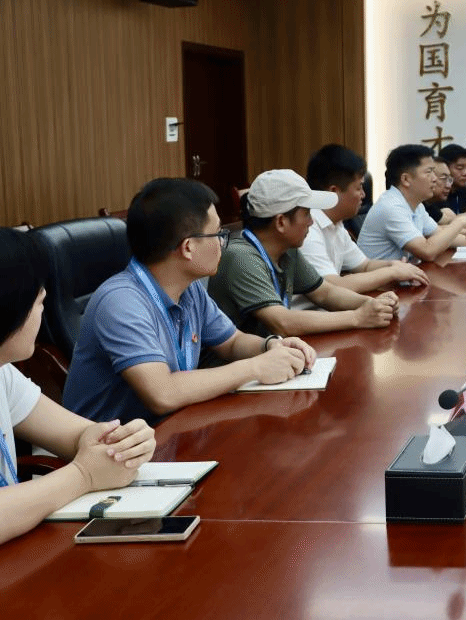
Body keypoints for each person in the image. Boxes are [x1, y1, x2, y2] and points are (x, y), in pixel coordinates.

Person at [63, 179, 315, 423]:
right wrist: (255, 368)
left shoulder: (190, 289)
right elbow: (162, 393)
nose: (222, 242)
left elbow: (232, 342)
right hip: (114, 445)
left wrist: (271, 346)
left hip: (173, 427)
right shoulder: (121, 302)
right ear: (188, 247)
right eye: (217, 233)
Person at [0, 228, 157, 545]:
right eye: (39, 301)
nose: (42, 310)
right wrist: (83, 475)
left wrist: (121, 442)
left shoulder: (4, 373)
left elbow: (75, 433)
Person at [207, 169, 399, 337]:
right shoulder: (241, 257)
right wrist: (357, 317)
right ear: (281, 222)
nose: (311, 222)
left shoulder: (287, 250)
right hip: (236, 364)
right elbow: (282, 323)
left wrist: (373, 304)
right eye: (306, 213)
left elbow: (325, 293)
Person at [301, 144, 430, 301]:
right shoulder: (308, 227)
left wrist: (394, 265)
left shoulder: (336, 224)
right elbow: (332, 286)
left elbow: (364, 266)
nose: (363, 195)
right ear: (334, 191)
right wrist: (392, 273)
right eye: (359, 188)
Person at [358, 144, 466, 263]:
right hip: (380, 286)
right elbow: (427, 251)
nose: (434, 179)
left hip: (402, 279)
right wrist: (461, 222)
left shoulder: (416, 204)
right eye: (429, 172)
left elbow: (440, 234)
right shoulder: (391, 207)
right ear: (406, 179)